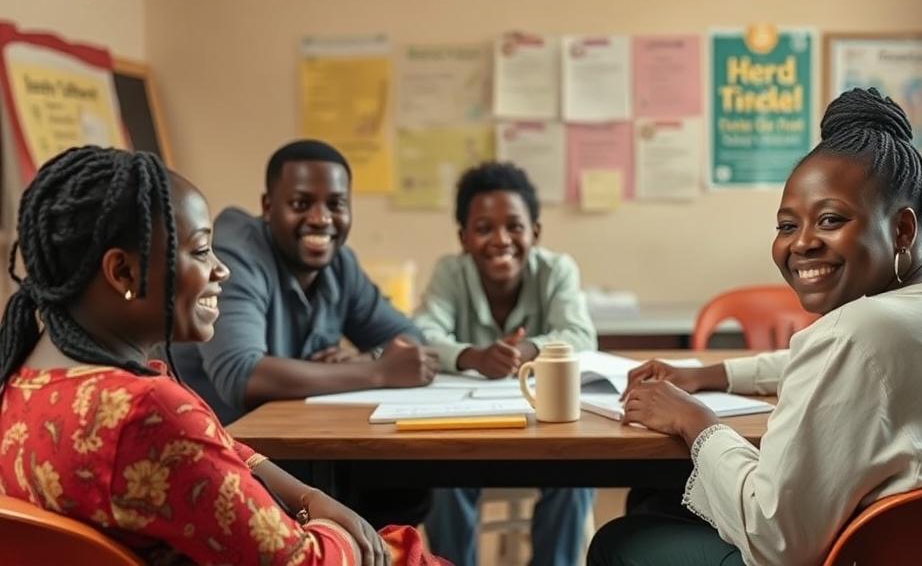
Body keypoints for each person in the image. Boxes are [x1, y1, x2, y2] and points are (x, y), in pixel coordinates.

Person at [589, 88, 922, 566]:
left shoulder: (857, 331)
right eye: (787, 226)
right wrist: (713, 376)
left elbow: (775, 542)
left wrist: (696, 422)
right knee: (658, 501)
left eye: (830, 220)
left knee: (621, 541)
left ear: (902, 229)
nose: (801, 244)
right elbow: (861, 359)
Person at [0, 146, 447, 565]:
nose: (221, 269)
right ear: (123, 272)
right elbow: (305, 561)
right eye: (199, 250)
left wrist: (308, 497)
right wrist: (348, 533)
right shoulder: (147, 411)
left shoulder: (25, 378)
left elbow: (218, 445)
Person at [175, 139, 438, 526]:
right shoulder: (237, 254)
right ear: (268, 207)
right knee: (370, 493)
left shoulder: (340, 264)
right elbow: (241, 374)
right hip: (223, 456)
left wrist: (367, 359)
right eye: (301, 203)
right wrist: (378, 372)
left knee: (406, 486)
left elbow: (409, 338)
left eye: (336, 204)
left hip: (294, 449)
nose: (320, 218)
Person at [414, 161, 597, 566]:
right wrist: (473, 356)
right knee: (442, 478)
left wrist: (527, 350)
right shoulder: (450, 272)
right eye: (484, 228)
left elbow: (581, 335)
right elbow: (422, 333)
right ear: (463, 238)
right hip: (468, 434)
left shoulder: (556, 270)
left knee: (576, 475)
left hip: (544, 435)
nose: (501, 240)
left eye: (514, 226)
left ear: (535, 232)